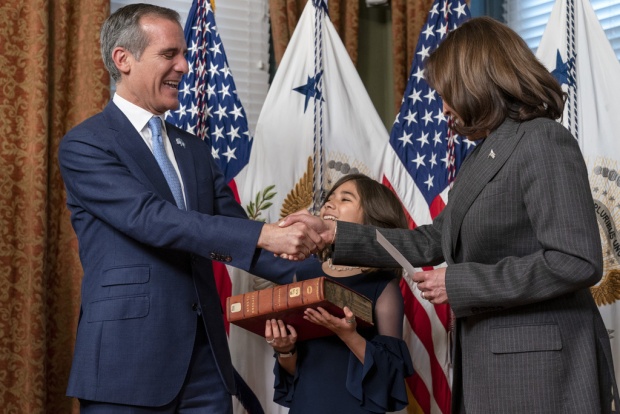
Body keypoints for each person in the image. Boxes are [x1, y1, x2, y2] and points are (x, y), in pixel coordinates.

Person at [281, 17, 620, 414]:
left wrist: (458, 282)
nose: (443, 107)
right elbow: (429, 241)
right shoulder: (481, 157)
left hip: (541, 372)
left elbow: (576, 261)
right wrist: (334, 234)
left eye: (447, 94)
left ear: (477, 82)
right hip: (490, 369)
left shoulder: (542, 141)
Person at [57, 4, 321, 413]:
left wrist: (336, 273)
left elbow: (234, 234)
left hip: (206, 364)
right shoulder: (86, 144)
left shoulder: (194, 149)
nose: (184, 65)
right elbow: (149, 218)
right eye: (169, 54)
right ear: (123, 59)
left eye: (183, 54)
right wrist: (266, 233)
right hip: (126, 364)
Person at [264, 174, 414, 413]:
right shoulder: (303, 273)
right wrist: (285, 349)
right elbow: (297, 370)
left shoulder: (382, 285)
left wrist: (349, 335)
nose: (329, 204)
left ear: (370, 221)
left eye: (345, 198)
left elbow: (389, 376)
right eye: (329, 198)